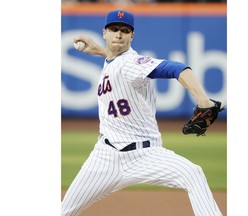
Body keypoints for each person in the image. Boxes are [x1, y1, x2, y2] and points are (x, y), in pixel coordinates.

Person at [61, 9, 223, 216]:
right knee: (63, 210)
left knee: (193, 174)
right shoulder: (113, 60)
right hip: (104, 156)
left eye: (124, 30)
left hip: (145, 155)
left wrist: (203, 100)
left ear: (132, 36)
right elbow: (115, 60)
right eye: (114, 29)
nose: (119, 34)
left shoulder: (132, 63)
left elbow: (177, 68)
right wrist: (101, 51)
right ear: (104, 32)